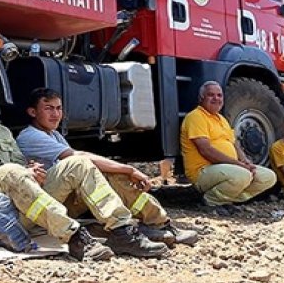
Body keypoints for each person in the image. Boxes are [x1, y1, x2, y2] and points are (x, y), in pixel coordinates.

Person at [0, 78, 167, 260]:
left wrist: (31, 170)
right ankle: (75, 237)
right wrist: (18, 172)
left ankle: (122, 231)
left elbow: (21, 164)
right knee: (9, 171)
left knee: (78, 163)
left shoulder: (1, 132)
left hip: (27, 207)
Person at [17, 88, 198, 247]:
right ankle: (123, 229)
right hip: (47, 204)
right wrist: (129, 170)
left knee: (112, 172)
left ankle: (158, 223)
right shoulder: (30, 136)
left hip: (63, 197)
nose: (55, 114)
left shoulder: (54, 134)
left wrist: (121, 169)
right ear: (32, 112)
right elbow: (77, 157)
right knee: (97, 167)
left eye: (58, 108)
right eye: (48, 108)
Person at [179, 81, 276, 213]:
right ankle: (211, 201)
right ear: (201, 98)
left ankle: (227, 199)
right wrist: (238, 164)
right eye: (211, 95)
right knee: (242, 175)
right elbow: (206, 150)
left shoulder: (221, 119)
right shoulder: (195, 117)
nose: (216, 99)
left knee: (268, 176)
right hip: (203, 171)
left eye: (219, 95)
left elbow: (234, 144)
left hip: (228, 168)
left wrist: (246, 161)